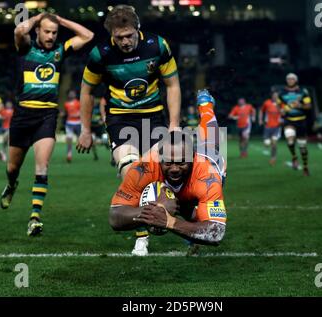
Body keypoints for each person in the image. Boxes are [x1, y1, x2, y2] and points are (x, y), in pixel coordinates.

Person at [76, 5, 181, 253]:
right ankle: (142, 235)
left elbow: (173, 84)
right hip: (120, 120)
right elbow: (86, 91)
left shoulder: (158, 46)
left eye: (129, 35)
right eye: (119, 37)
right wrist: (85, 130)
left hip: (153, 118)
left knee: (160, 174)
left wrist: (174, 125)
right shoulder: (100, 55)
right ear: (112, 35)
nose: (124, 42)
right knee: (132, 171)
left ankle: (177, 221)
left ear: (138, 29)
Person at [0, 13, 94, 236]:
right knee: (13, 168)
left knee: (42, 167)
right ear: (38, 31)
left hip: (46, 116)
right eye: (47, 31)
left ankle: (34, 218)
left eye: (54, 33)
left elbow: (88, 35)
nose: (51, 36)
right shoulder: (25, 48)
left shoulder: (60, 51)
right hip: (22, 116)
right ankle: (12, 185)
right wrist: (39, 16)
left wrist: (60, 20)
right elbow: (18, 31)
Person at [109, 90, 226, 256]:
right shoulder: (144, 168)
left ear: (192, 159)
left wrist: (170, 222)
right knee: (189, 215)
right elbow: (115, 217)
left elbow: (217, 233)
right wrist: (152, 212)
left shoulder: (208, 175)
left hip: (210, 160)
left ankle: (205, 105)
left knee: (211, 137)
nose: (175, 169)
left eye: (182, 163)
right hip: (181, 189)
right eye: (168, 162)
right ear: (159, 159)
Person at [278, 73, 312, 176]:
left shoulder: (303, 92)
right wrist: (282, 110)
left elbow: (308, 106)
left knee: (302, 147)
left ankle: (305, 166)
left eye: (292, 79)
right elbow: (280, 106)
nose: (290, 80)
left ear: (296, 80)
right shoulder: (282, 93)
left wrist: (300, 105)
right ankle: (294, 157)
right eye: (288, 79)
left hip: (301, 121)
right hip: (289, 120)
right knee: (290, 140)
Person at [259, 91, 281, 165]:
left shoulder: (281, 103)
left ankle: (273, 158)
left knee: (274, 144)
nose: (275, 97)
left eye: (276, 96)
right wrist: (260, 119)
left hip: (277, 127)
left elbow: (284, 112)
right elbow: (261, 111)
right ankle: (267, 144)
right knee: (267, 144)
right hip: (267, 127)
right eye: (274, 95)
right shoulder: (267, 103)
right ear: (272, 96)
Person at [63, 89, 81, 163]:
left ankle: (94, 152)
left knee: (81, 139)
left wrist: (78, 114)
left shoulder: (78, 103)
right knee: (69, 139)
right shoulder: (66, 104)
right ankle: (69, 154)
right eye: (70, 93)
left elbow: (81, 112)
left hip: (78, 123)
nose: (71, 95)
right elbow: (66, 113)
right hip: (69, 123)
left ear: (75, 95)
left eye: (72, 93)